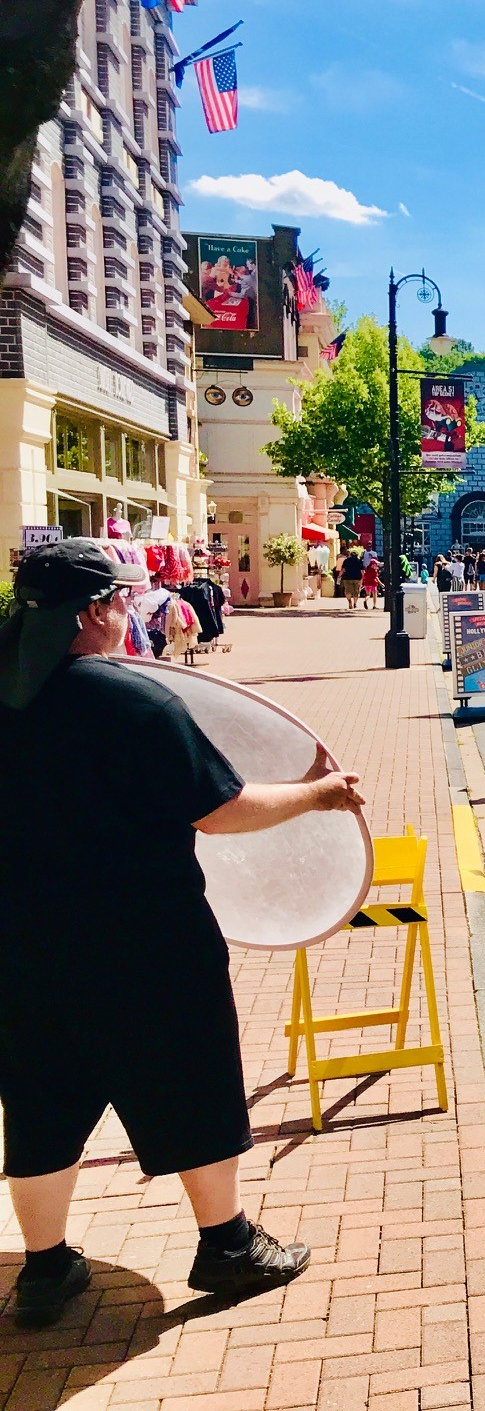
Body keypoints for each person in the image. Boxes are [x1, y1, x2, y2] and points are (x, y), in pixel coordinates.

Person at [0, 540, 366, 1326]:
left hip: (22, 943)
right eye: (121, 600)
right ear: (93, 611)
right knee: (192, 1080)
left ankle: (44, 1268)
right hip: (147, 939)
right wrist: (318, 793)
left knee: (39, 1102)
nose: (128, 611)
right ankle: (227, 1246)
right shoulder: (131, 700)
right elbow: (222, 809)